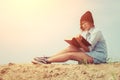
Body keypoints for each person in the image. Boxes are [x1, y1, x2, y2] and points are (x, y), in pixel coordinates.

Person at [32, 11, 107, 64]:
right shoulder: (87, 33)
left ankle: (47, 61)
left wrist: (80, 42)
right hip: (91, 53)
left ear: (90, 21)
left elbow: (89, 49)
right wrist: (77, 43)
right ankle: (47, 58)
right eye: (82, 24)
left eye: (85, 23)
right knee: (71, 47)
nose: (83, 25)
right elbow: (86, 48)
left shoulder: (97, 32)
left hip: (98, 56)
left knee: (70, 55)